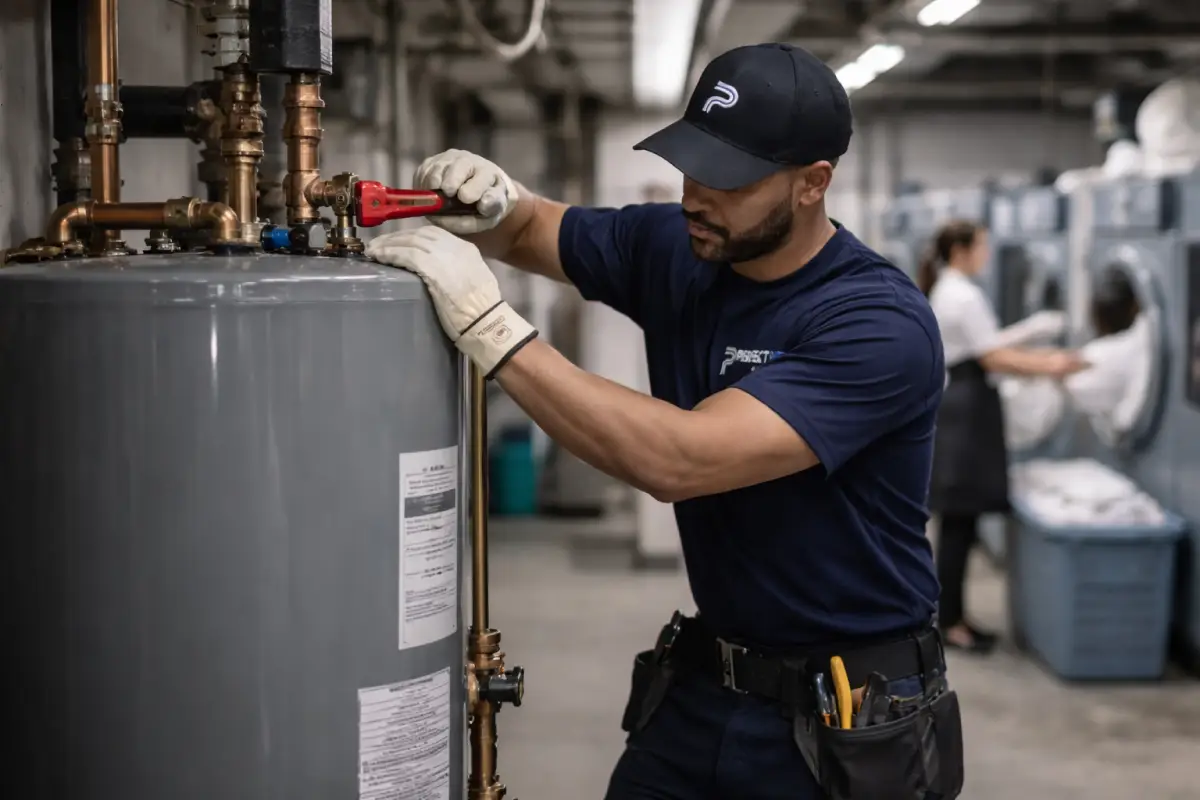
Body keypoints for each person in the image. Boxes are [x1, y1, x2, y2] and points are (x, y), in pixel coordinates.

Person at [369, 43, 963, 800]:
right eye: (691, 162)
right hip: (707, 684)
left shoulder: (877, 323)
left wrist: (492, 328)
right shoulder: (679, 245)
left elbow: (680, 460)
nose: (695, 193)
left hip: (848, 710)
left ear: (814, 184)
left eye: (729, 177)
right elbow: (526, 232)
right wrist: (491, 199)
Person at [919, 219, 1087, 655]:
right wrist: (1052, 365)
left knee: (960, 519)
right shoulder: (963, 293)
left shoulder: (951, 288)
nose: (987, 254)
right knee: (959, 520)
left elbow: (985, 345)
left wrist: (1034, 338)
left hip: (962, 400)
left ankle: (955, 617)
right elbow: (992, 356)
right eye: (982, 246)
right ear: (961, 250)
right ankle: (952, 624)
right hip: (969, 408)